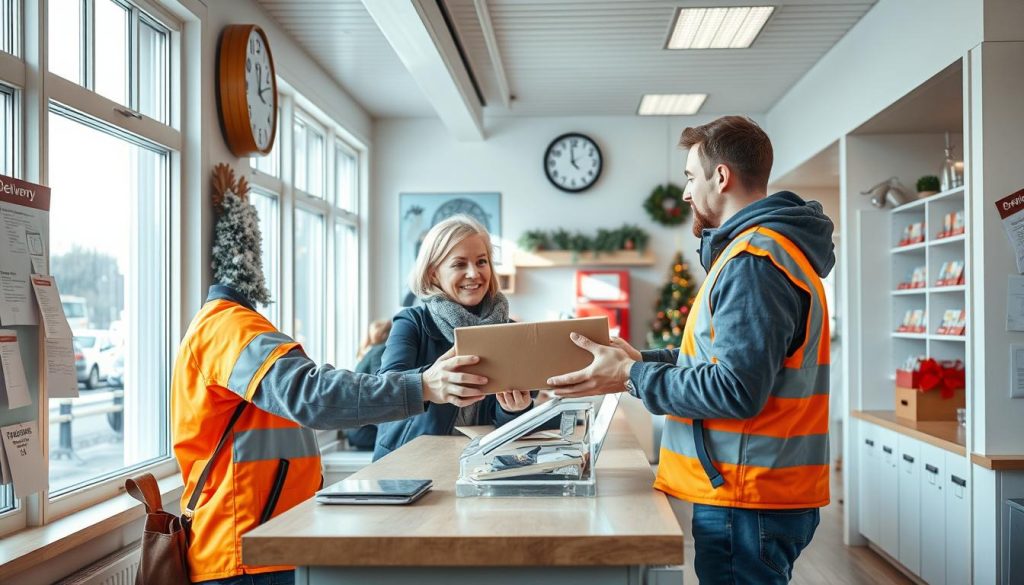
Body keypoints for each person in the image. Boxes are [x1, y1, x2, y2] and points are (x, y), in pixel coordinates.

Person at [547, 116, 835, 584]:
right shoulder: (766, 251)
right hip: (757, 491)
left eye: (689, 177)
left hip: (749, 497)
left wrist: (630, 377)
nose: (685, 193)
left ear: (720, 177)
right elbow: (717, 363)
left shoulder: (754, 263)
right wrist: (638, 360)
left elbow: (736, 389)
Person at [173, 229, 489, 583]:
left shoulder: (239, 326)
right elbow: (313, 396)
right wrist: (424, 385)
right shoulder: (229, 328)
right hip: (241, 551)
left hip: (268, 539)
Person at [374, 215, 533, 460]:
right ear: (433, 274)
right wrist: (432, 379)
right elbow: (386, 390)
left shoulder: (506, 330)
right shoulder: (411, 322)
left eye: (482, 262)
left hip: (477, 464)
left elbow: (503, 428)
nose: (474, 273)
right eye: (459, 264)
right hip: (409, 463)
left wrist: (513, 410)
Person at [345, 319, 393, 450]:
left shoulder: (370, 352)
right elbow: (381, 386)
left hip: (357, 431)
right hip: (364, 432)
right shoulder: (380, 350)